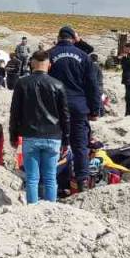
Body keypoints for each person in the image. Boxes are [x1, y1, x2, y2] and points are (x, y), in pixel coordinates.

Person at [9, 51, 70, 204]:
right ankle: (51, 208)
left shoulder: (22, 83)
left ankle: (33, 208)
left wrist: (13, 135)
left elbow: (15, 112)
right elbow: (65, 116)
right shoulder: (58, 84)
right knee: (50, 177)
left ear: (31, 63)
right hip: (53, 135)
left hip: (30, 135)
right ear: (49, 64)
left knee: (32, 178)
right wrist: (66, 140)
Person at [48, 26, 102, 194]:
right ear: (73, 38)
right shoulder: (84, 57)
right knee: (80, 146)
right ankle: (82, 182)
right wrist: (95, 110)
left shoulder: (49, 54)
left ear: (58, 37)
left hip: (54, 106)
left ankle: (50, 181)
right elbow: (93, 86)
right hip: (79, 106)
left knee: (53, 143)